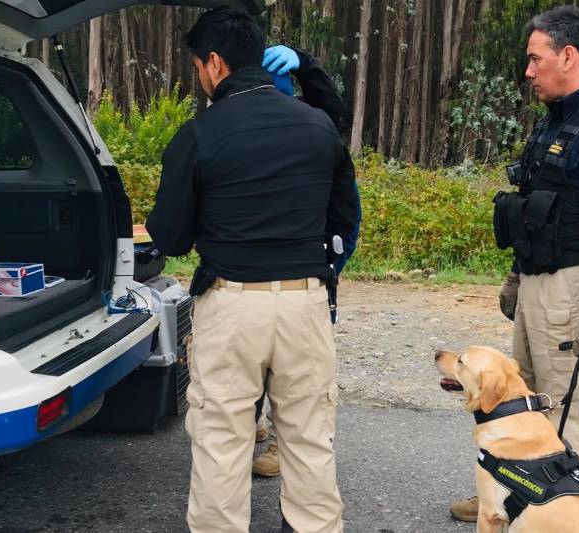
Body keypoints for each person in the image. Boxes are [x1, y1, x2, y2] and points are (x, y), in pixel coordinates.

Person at [145, 7, 359, 533]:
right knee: (309, 435)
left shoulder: (198, 134)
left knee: (222, 436)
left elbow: (169, 236)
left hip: (231, 301)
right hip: (305, 301)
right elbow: (344, 217)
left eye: (198, 66)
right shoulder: (318, 127)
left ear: (215, 64)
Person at [450, 5, 579, 523]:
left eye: (535, 59)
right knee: (523, 400)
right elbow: (537, 207)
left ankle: (569, 513)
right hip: (538, 280)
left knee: (570, 409)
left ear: (568, 55)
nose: (528, 71)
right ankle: (508, 493)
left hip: (573, 287)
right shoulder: (557, 121)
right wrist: (517, 273)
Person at [253, 44, 358, 479]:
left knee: (296, 365)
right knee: (251, 351)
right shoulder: (239, 125)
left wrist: (306, 63)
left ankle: (282, 438)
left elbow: (334, 111)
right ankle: (253, 423)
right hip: (253, 257)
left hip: (311, 253)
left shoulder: (314, 127)